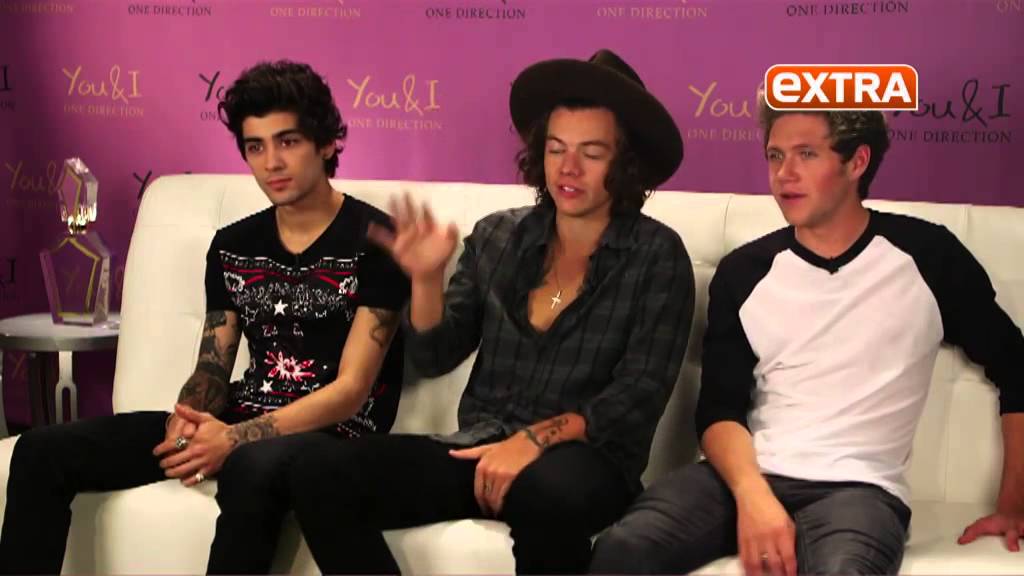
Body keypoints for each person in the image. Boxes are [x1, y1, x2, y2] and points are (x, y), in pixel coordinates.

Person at [266, 49, 694, 575]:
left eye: (592, 152)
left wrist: (533, 441)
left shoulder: (658, 255)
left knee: (549, 495)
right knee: (316, 470)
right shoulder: (498, 235)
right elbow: (432, 355)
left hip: (587, 463)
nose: (569, 168)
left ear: (624, 164)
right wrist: (425, 279)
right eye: (556, 148)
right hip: (479, 448)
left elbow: (638, 395)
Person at [0, 60, 410, 575]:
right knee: (40, 450)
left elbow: (352, 391)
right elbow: (213, 366)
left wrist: (233, 439)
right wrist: (189, 417)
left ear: (327, 144)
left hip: (333, 438)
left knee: (252, 467)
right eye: (255, 147)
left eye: (288, 142)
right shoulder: (234, 244)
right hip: (243, 415)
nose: (271, 163)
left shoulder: (379, 241)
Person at [590, 99, 1024, 575]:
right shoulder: (744, 271)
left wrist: (1013, 504)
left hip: (859, 491)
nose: (785, 174)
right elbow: (718, 411)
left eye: (807, 154)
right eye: (775, 156)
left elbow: (1016, 367)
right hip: (740, 478)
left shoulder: (928, 256)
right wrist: (754, 496)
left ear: (857, 162)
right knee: (622, 549)